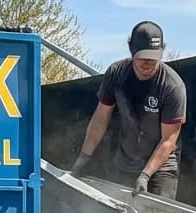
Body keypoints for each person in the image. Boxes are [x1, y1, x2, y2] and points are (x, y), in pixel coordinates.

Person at [70, 21, 187, 199]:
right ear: (131, 49)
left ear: (162, 51)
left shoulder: (172, 86)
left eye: (153, 57)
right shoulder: (117, 74)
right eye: (142, 57)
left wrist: (146, 175)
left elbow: (169, 139)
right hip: (124, 163)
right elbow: (100, 120)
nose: (147, 62)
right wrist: (83, 158)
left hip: (160, 169)